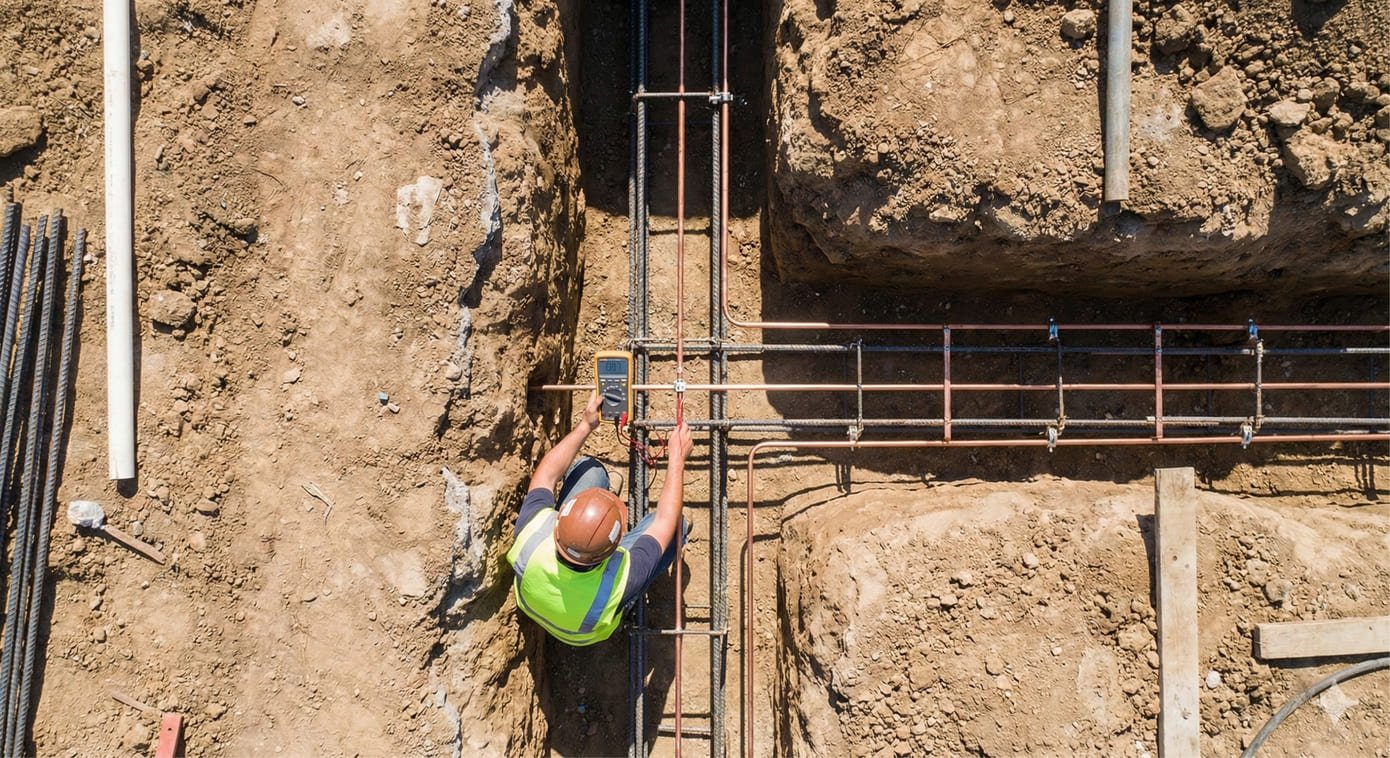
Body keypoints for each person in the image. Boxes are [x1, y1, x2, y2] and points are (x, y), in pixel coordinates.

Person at [507, 391, 694, 646]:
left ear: (560, 521)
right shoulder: (619, 583)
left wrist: (586, 425)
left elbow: (546, 475)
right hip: (585, 633)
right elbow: (665, 521)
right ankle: (626, 610)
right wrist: (677, 460)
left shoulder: (532, 533)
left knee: (589, 470)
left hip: (538, 604)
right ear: (613, 552)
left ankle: (596, 501)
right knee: (676, 527)